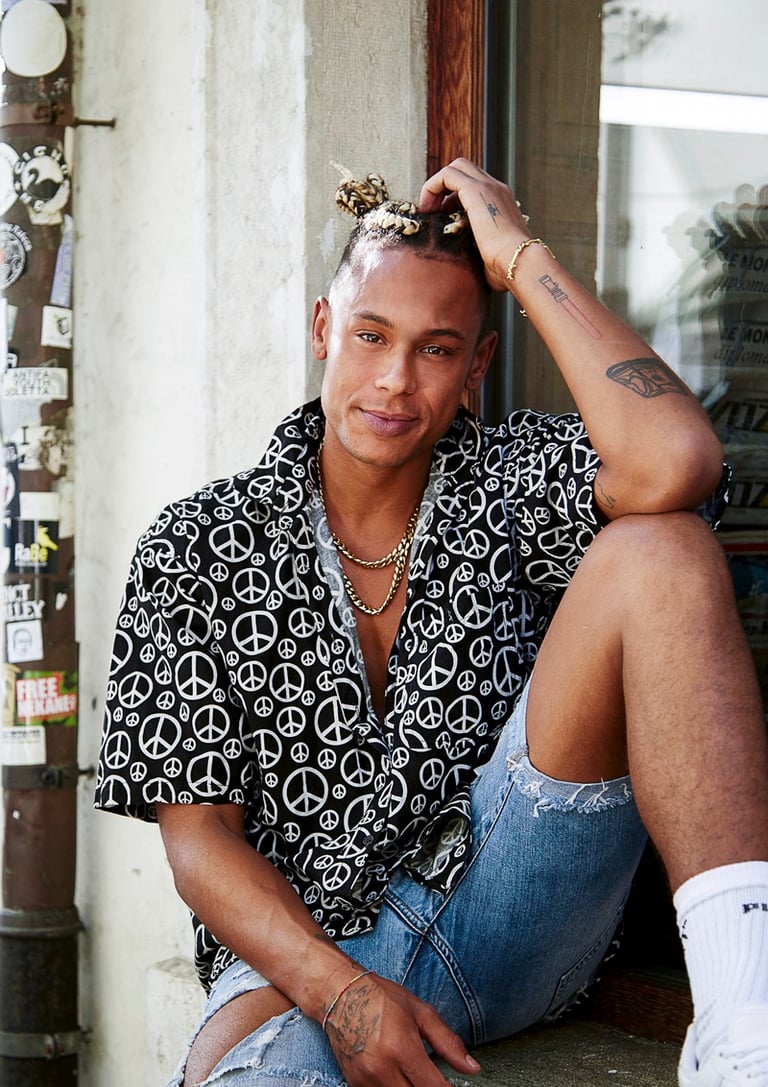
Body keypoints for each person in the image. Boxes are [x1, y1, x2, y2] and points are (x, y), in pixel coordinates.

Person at [95, 159, 768, 1087]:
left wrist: (521, 254)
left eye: (437, 348)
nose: (395, 381)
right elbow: (197, 838)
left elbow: (676, 461)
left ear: (477, 365)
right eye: (371, 335)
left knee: (663, 548)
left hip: (511, 897)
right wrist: (343, 994)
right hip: (304, 945)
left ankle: (743, 1025)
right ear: (325, 328)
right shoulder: (199, 543)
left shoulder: (509, 479)